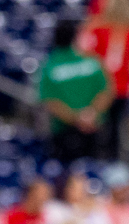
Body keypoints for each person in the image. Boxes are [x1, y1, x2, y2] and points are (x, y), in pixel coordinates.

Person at [37, 20, 114, 165]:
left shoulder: (50, 65)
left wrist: (78, 119)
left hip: (69, 131)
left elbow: (50, 101)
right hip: (87, 129)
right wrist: (91, 115)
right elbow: (106, 91)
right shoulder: (91, 60)